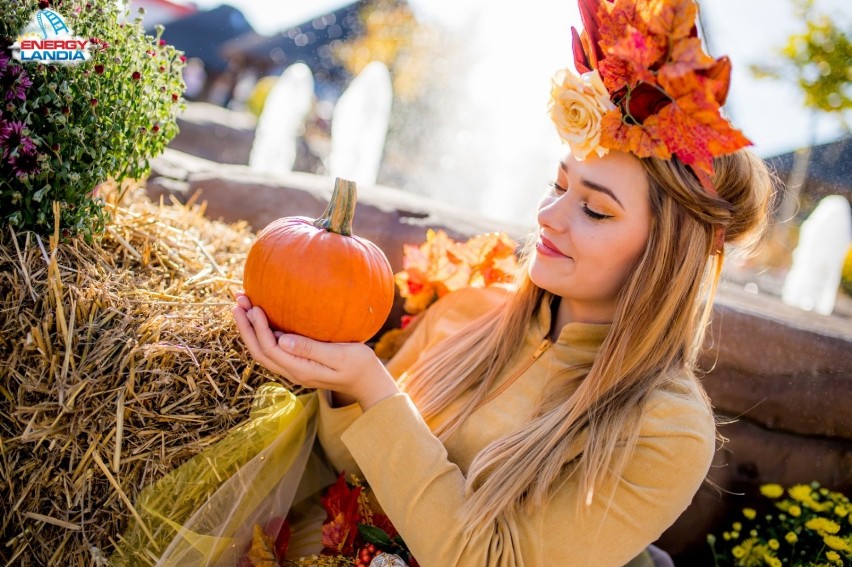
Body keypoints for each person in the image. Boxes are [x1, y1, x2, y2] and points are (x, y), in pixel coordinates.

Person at [232, 0, 774, 565]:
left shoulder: (667, 428)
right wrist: (341, 381)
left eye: (595, 210)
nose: (549, 214)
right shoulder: (468, 311)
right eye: (558, 184)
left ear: (663, 257)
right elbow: (346, 466)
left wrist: (374, 388)